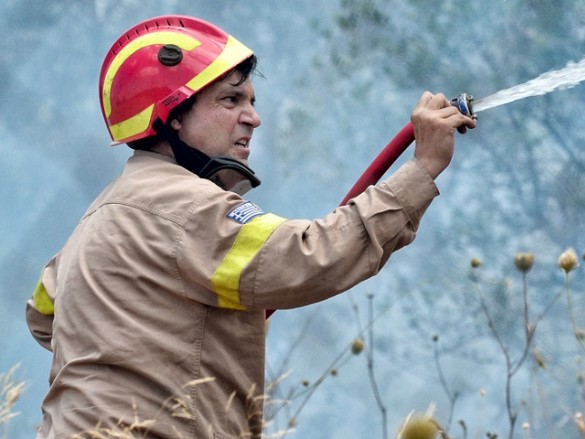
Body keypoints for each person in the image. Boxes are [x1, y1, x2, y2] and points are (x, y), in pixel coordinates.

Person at [25, 14, 476, 439]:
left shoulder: (105, 214)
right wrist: (422, 169)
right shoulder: (184, 206)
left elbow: (43, 313)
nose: (253, 118)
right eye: (230, 100)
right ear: (172, 115)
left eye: (252, 102)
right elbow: (309, 256)